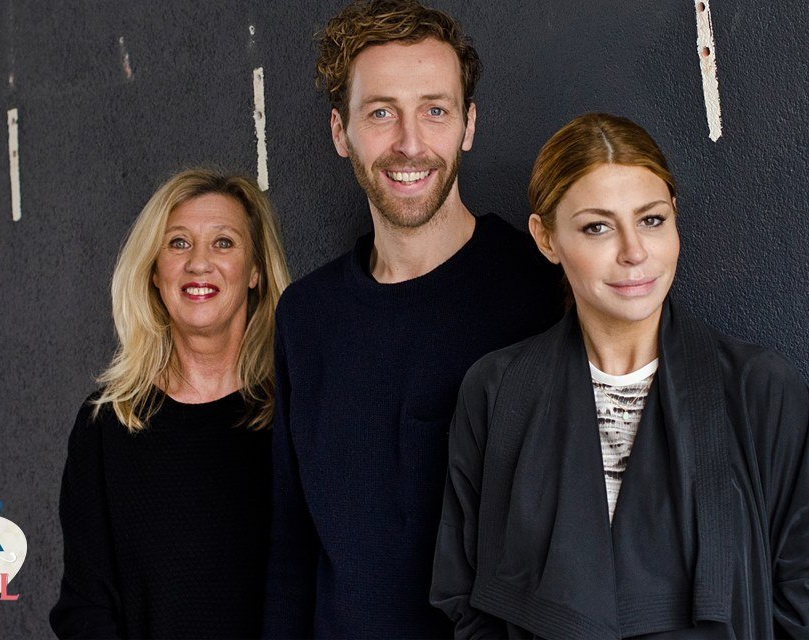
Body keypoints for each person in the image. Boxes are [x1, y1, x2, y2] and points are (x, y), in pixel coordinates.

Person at [430, 112, 809, 639]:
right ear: (546, 238)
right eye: (597, 227)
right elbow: (464, 594)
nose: (634, 252)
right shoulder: (496, 393)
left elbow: (800, 597)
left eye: (651, 220)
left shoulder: (759, 391)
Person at [263, 1, 563, 637]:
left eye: (434, 110)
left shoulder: (540, 292)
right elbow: (291, 544)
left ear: (468, 125)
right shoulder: (307, 318)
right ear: (340, 131)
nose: (409, 143)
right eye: (381, 113)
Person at [50, 169, 291, 639]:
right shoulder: (106, 426)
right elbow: (85, 608)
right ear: (155, 272)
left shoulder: (295, 415)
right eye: (179, 243)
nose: (199, 263)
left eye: (223, 243)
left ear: (255, 271)